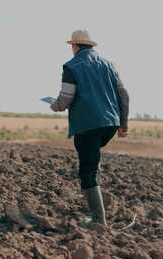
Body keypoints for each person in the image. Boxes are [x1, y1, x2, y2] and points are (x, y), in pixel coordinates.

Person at [50, 29, 130, 226]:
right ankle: (97, 210)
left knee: (87, 169)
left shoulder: (71, 66)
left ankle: (98, 220)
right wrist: (124, 123)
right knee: (92, 160)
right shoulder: (109, 64)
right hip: (110, 123)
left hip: (87, 124)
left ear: (75, 46)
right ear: (91, 46)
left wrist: (55, 105)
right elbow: (124, 95)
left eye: (72, 46)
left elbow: (66, 98)